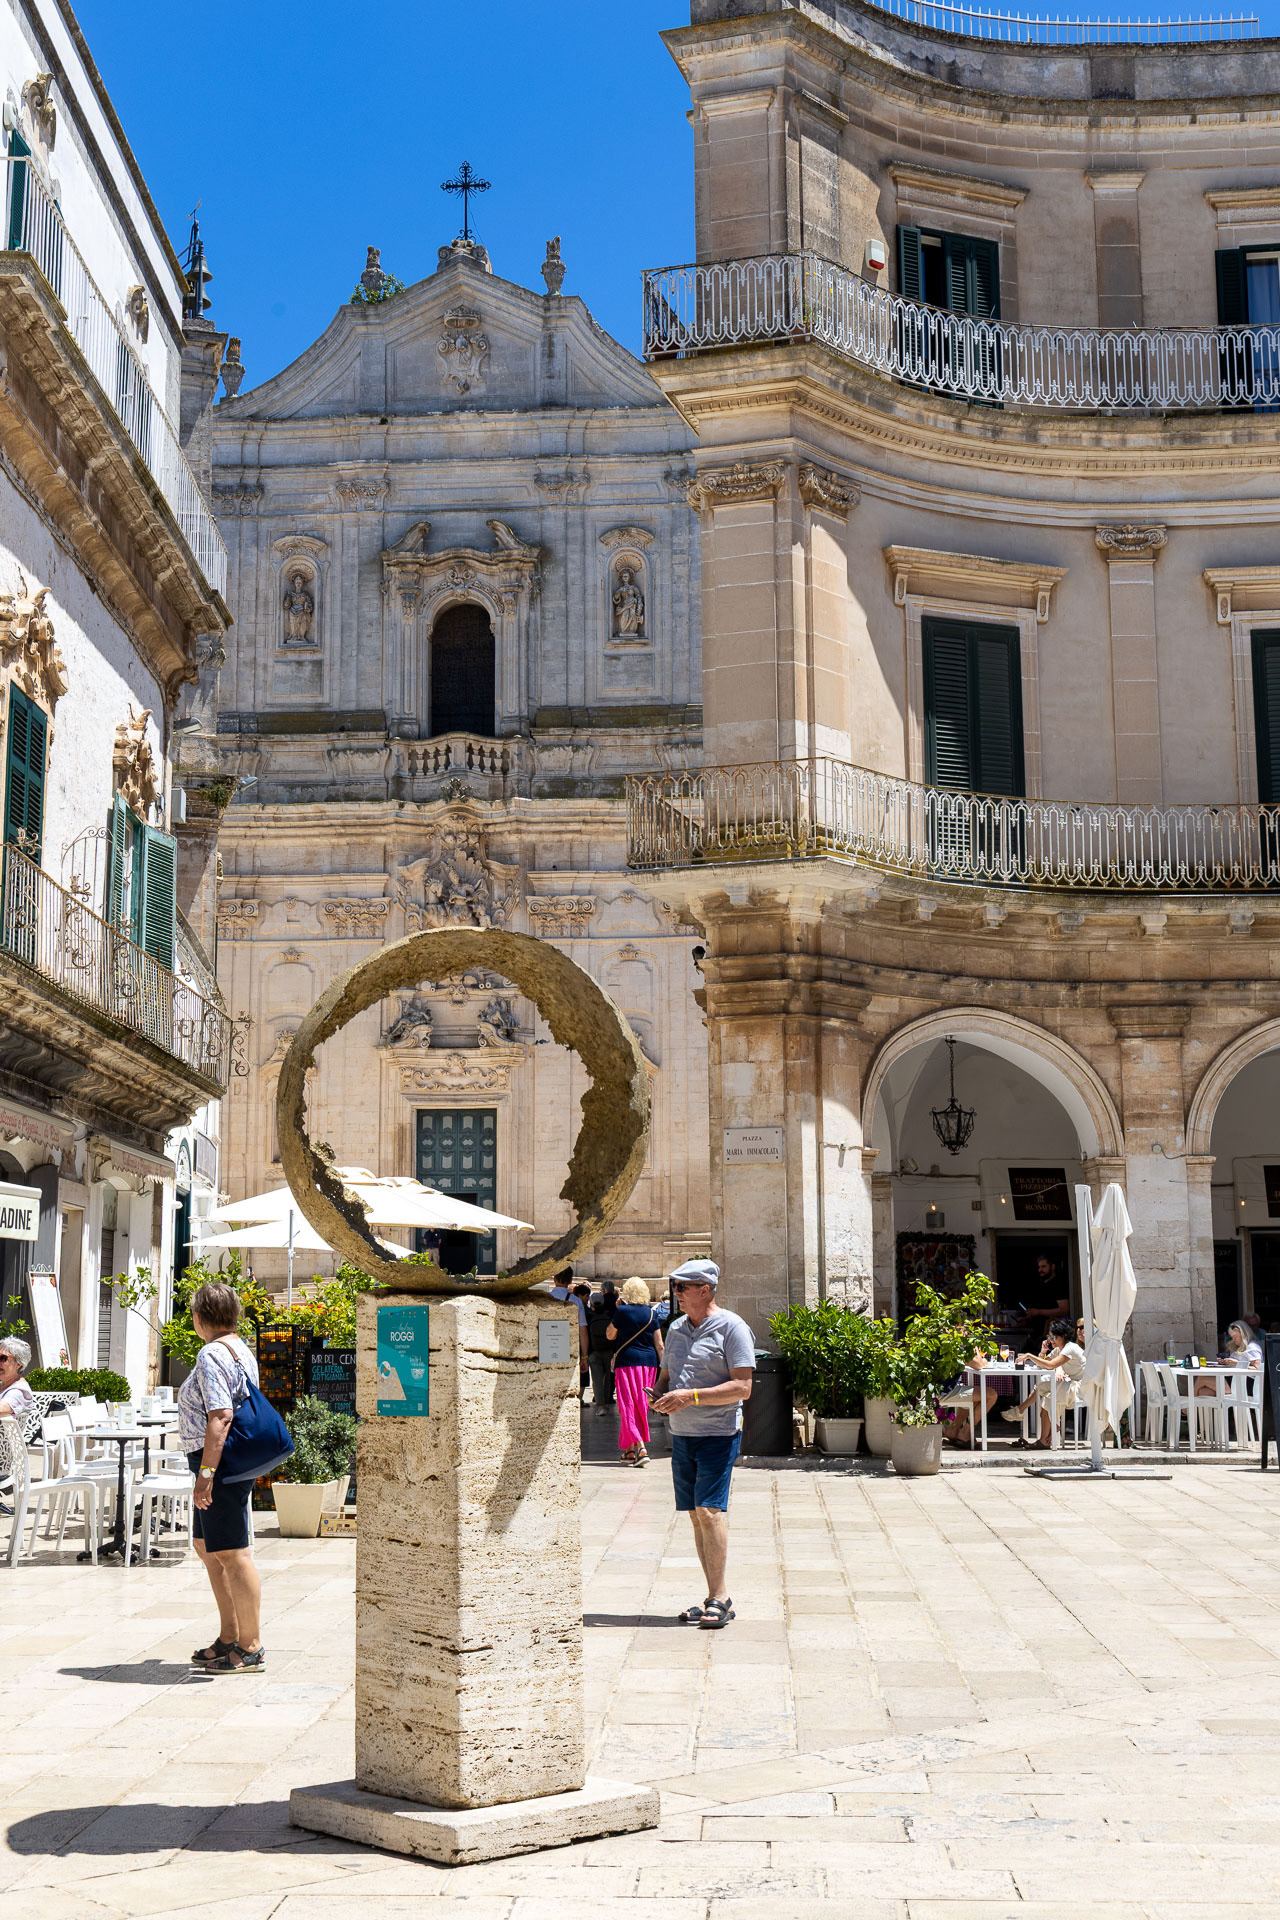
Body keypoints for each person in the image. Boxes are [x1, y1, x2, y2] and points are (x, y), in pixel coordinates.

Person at [651, 1259, 754, 1629]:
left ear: (705, 1289)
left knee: (709, 1510)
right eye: (675, 1286)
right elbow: (666, 1375)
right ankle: (712, 1594)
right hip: (682, 1434)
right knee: (696, 1514)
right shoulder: (676, 1329)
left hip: (718, 1433)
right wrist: (659, 1394)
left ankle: (720, 1597)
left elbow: (743, 1387)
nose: (676, 1293)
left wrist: (690, 1396)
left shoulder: (732, 1328)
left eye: (682, 1286)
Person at [177, 1283, 265, 1673]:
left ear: (199, 1318)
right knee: (207, 1546)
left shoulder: (212, 1353)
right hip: (218, 1459)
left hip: (219, 1462)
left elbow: (221, 1415)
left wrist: (206, 1474)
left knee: (232, 1552)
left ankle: (250, 1646)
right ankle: (230, 1635)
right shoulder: (239, 1348)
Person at [1003, 1317, 1085, 1448]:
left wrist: (1029, 1355)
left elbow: (1050, 1365)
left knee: (1045, 1389)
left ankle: (1022, 1412)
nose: (1051, 1340)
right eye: (1049, 1337)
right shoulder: (1060, 1349)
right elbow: (1043, 1363)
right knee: (1046, 1395)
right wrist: (1043, 1351)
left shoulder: (1070, 1348)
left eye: (1054, 1337)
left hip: (1081, 1388)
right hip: (1072, 1384)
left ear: (1063, 1336)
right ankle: (1044, 1436)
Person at [607, 1278, 663, 1465]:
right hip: (649, 1364)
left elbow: (610, 1335)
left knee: (627, 1405)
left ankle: (641, 1448)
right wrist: (665, 1370)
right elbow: (660, 1345)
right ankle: (629, 1451)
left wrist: (617, 1311)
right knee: (640, 1404)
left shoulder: (622, 1311)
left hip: (627, 1362)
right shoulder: (651, 1313)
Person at [550, 1267, 589, 1397]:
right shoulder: (576, 1301)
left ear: (554, 1279)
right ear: (570, 1281)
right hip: (569, 1348)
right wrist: (584, 1357)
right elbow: (583, 1331)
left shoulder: (546, 1298)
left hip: (548, 1346)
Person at [586, 1283, 618, 1414]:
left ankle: (600, 1405)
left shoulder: (589, 1316)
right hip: (609, 1350)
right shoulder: (609, 1315)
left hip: (594, 1351)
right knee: (608, 1378)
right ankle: (607, 1399)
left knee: (597, 1379)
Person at [0, 1336, 34, 1425]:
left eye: (3, 1358)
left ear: (19, 1364)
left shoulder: (20, 1391)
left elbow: (2, 1408)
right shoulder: (4, 1385)